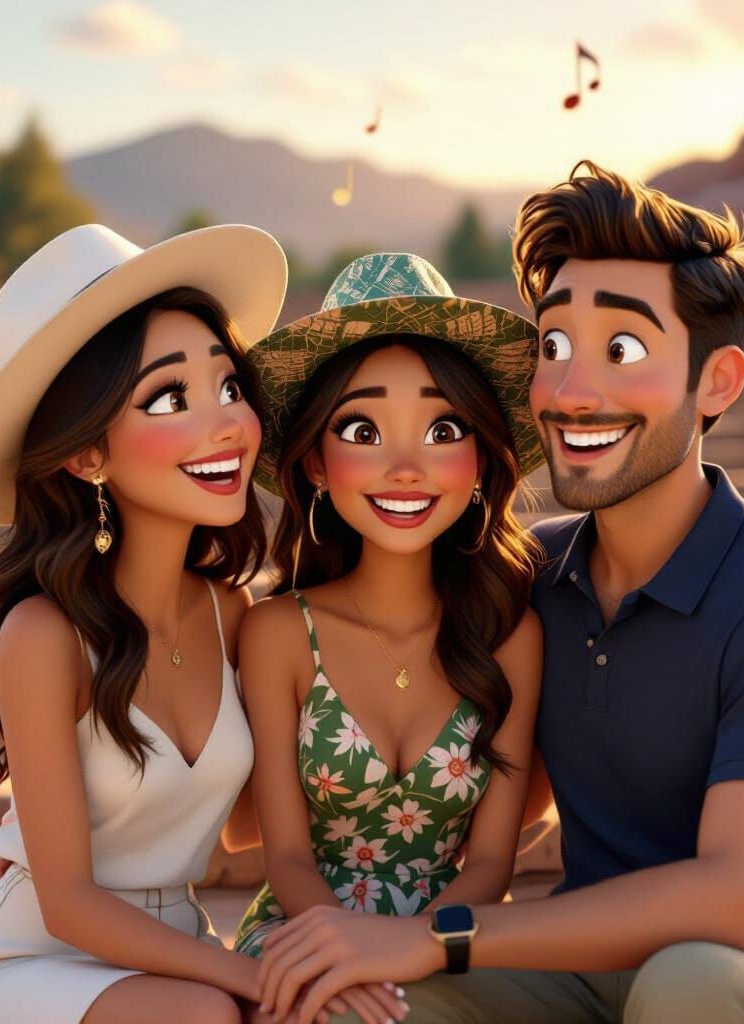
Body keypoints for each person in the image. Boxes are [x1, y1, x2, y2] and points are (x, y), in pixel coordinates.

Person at [249, 164, 744, 1024]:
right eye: (553, 348)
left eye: (621, 349)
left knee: (689, 984)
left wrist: (441, 936)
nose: (573, 391)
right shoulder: (530, 580)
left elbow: (733, 901)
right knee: (358, 1002)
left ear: (718, 381)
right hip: (577, 965)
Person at [0, 224, 406, 1024]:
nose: (226, 422)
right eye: (168, 399)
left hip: (175, 953)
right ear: (86, 456)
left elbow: (256, 827)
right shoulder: (44, 634)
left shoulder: (233, 612)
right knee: (220, 1014)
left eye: (228, 388)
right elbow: (70, 905)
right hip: (33, 958)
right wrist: (253, 978)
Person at [232, 253, 544, 967]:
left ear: (479, 466)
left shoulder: (510, 637)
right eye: (363, 432)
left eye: (442, 431)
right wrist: (350, 954)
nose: (405, 466)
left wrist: (409, 952)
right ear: (315, 465)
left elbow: (490, 865)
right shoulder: (278, 632)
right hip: (300, 935)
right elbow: (285, 857)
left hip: (446, 941)